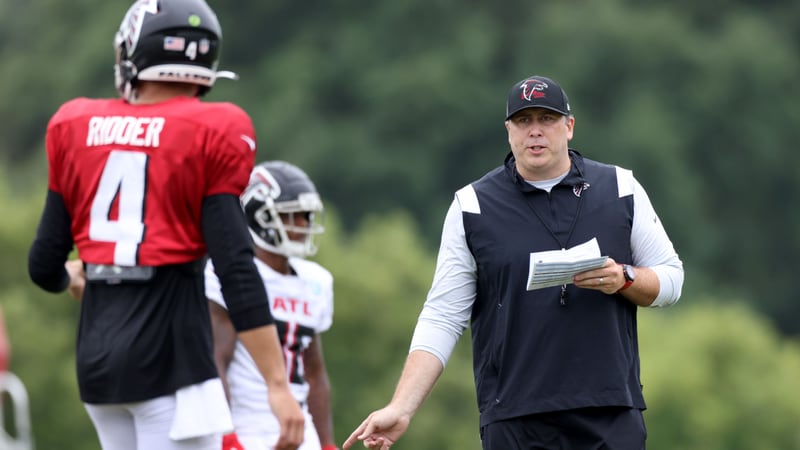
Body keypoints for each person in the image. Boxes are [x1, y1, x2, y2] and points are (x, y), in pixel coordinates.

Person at [343, 75, 684, 450]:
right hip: (515, 418)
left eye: (547, 119)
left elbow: (671, 281)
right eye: (524, 121)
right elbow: (442, 315)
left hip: (610, 411)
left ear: (569, 127)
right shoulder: (472, 206)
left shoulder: (620, 187)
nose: (535, 132)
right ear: (508, 131)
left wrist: (624, 278)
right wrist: (402, 408)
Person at [26, 0, 304, 448]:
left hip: (97, 361)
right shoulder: (212, 128)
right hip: (172, 357)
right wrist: (277, 381)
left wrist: (73, 275)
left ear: (136, 51)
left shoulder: (75, 124)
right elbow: (235, 266)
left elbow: (43, 266)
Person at [205, 161, 339, 450]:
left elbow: (314, 373)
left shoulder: (316, 281)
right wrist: (226, 435)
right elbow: (217, 361)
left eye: (306, 215)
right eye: (292, 215)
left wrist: (327, 442)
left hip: (302, 427)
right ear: (258, 216)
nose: (303, 225)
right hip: (248, 426)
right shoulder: (229, 275)